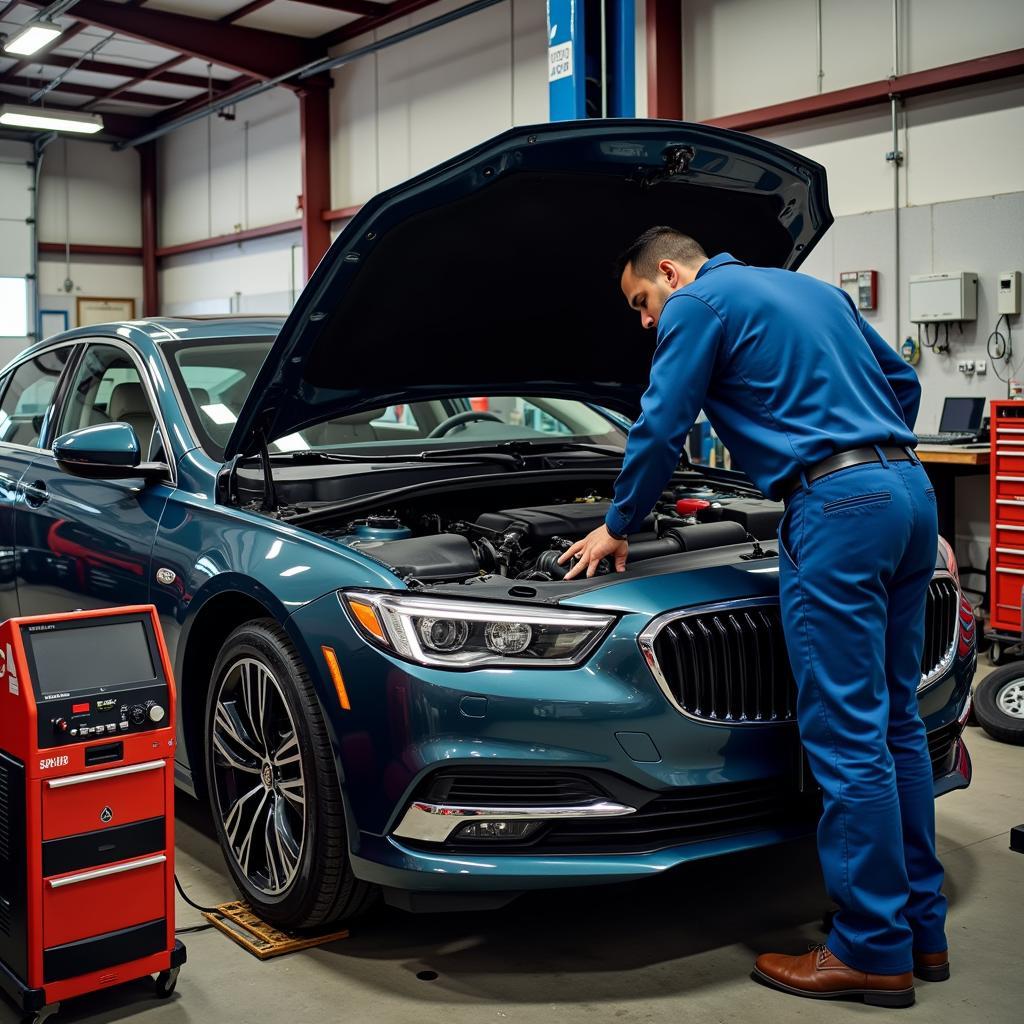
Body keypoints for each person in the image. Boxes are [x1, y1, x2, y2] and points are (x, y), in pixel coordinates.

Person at [558, 227, 947, 1008]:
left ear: (667, 272)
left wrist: (619, 522)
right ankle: (920, 931)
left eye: (641, 303)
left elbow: (662, 424)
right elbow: (900, 382)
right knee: (896, 719)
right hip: (908, 490)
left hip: (836, 507)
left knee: (846, 734)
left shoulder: (696, 304)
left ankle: (871, 951)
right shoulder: (811, 289)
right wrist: (862, 444)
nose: (645, 323)